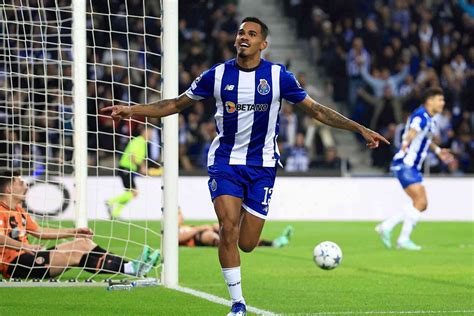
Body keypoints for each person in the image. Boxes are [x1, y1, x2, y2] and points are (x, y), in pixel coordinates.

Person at [102, 17, 388, 316]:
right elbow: (173, 105)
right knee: (228, 228)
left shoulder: (279, 77)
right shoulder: (217, 75)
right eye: (241, 32)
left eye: (252, 34)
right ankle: (238, 303)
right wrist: (130, 110)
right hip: (225, 161)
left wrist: (360, 129)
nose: (244, 37)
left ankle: (212, 236)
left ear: (263, 44)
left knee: (248, 243)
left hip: (262, 166)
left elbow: (316, 110)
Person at [0, 170, 160, 279]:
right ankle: (130, 269)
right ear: (8, 188)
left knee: (83, 243)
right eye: (20, 183)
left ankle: (131, 266)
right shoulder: (1, 210)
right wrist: (26, 247)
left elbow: (40, 232)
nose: (26, 186)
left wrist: (74, 231)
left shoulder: (19, 210)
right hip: (15, 264)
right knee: (76, 254)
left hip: (29, 257)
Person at [376, 87, 454, 250]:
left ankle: (387, 227)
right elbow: (412, 132)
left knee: (420, 204)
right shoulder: (421, 116)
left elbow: (424, 138)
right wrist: (405, 145)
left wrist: (439, 151)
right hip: (406, 164)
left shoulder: (430, 119)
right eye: (440, 99)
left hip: (410, 166)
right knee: (420, 202)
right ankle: (401, 238)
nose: (443, 103)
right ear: (429, 101)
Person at [178, 208, 293, 248]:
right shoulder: (170, 230)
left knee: (223, 227)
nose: (180, 217)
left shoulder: (184, 225)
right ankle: (222, 242)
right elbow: (178, 238)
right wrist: (199, 229)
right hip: (196, 239)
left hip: (200, 232)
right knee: (207, 235)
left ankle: (271, 243)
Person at [106, 126, 153, 219]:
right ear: (143, 132)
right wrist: (141, 168)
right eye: (149, 132)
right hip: (126, 168)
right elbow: (132, 156)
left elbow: (140, 158)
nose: (150, 135)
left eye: (151, 133)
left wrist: (143, 167)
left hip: (129, 169)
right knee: (133, 193)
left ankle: (115, 214)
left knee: (131, 193)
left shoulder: (143, 143)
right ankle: (110, 202)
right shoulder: (138, 141)